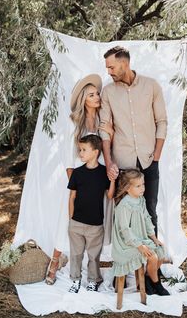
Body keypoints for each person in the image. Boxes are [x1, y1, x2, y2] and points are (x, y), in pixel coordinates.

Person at [45, 74, 113, 285]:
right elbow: (67, 153)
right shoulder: (74, 121)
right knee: (67, 218)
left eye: (97, 93)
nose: (97, 97)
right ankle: (54, 262)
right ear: (84, 99)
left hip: (98, 175)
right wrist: (74, 179)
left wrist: (110, 131)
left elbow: (108, 145)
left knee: (94, 219)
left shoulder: (103, 118)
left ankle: (95, 267)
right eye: (92, 95)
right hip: (79, 175)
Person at [99, 46, 167, 236]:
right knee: (124, 214)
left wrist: (157, 154)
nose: (109, 72)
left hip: (149, 160)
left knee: (150, 210)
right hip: (122, 162)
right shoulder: (108, 92)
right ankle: (129, 263)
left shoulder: (151, 86)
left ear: (125, 64)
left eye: (111, 67)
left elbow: (162, 121)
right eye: (107, 68)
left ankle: (152, 262)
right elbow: (103, 129)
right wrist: (109, 162)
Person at [68, 134, 116, 293]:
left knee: (94, 256)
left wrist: (113, 180)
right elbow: (72, 197)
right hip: (76, 223)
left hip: (96, 224)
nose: (80, 153)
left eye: (83, 150)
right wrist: (71, 220)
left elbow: (109, 196)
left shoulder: (103, 173)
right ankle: (75, 280)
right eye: (79, 150)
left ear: (95, 152)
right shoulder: (77, 173)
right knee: (76, 254)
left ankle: (93, 280)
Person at [112, 169, 169, 296]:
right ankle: (156, 283)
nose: (142, 188)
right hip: (126, 244)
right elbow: (125, 230)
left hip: (140, 238)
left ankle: (147, 278)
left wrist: (154, 238)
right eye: (138, 186)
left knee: (161, 251)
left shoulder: (141, 200)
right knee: (152, 256)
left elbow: (147, 219)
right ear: (127, 188)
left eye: (143, 184)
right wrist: (139, 246)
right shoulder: (124, 205)